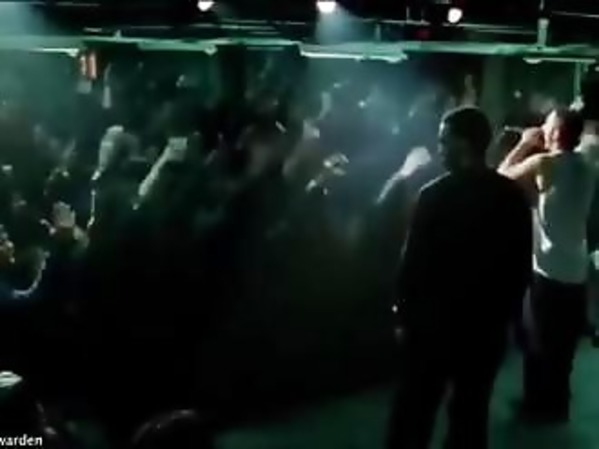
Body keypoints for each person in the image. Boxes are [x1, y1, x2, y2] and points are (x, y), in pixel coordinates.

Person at [386, 107, 532, 449]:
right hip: (484, 330)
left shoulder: (434, 195)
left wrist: (402, 314)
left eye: (444, 141)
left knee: (414, 412)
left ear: (463, 144)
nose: (439, 149)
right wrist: (505, 318)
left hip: (432, 327)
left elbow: (412, 263)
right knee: (470, 414)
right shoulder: (511, 196)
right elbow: (519, 266)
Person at [498, 108, 594, 422]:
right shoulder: (589, 165)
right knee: (564, 346)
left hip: (548, 271)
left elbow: (501, 176)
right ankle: (558, 404)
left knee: (537, 340)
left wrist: (524, 143)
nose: (541, 127)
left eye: (546, 125)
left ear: (555, 132)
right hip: (576, 271)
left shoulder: (544, 163)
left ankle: (536, 406)